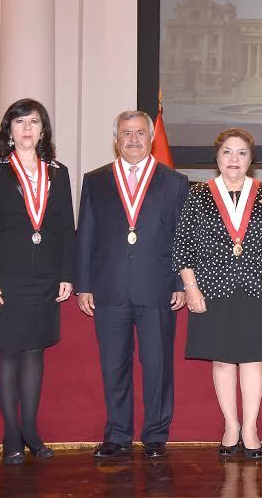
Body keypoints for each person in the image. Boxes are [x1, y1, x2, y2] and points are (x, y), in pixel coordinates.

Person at [75, 110, 189, 459]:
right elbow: (86, 236)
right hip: (109, 288)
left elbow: (181, 239)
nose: (134, 139)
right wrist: (83, 284)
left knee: (157, 366)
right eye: (126, 133)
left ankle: (155, 435)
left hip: (157, 288)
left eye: (140, 132)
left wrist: (180, 283)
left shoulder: (174, 181)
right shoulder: (95, 181)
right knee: (114, 366)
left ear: (151, 138)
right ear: (116, 139)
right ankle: (118, 435)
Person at [0, 98, 75, 465]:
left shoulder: (58, 172)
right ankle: (10, 431)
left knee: (34, 351)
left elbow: (65, 228)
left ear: (43, 130)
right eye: (19, 122)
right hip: (4, 277)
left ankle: (30, 428)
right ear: (9, 130)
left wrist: (66, 274)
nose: (27, 128)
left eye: (34, 121)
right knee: (9, 351)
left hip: (45, 277)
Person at [173, 128, 262, 460]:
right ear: (217, 157)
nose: (233, 159)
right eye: (226, 152)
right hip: (213, 289)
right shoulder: (198, 194)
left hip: (257, 287)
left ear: (251, 160)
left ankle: (250, 428)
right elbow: (183, 247)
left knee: (253, 359)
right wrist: (190, 287)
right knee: (222, 360)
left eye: (240, 153)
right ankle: (230, 426)